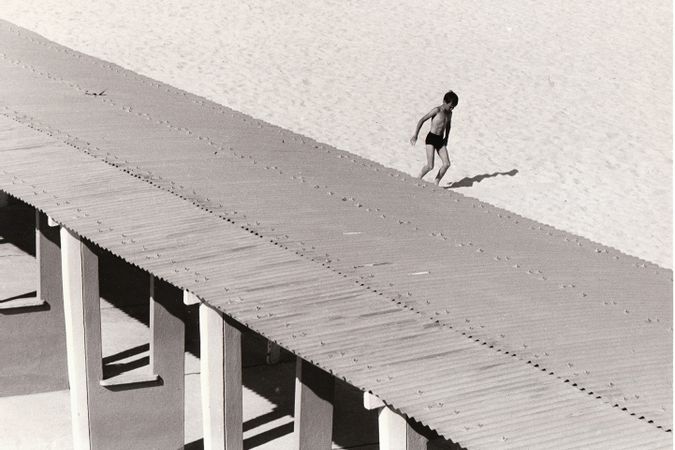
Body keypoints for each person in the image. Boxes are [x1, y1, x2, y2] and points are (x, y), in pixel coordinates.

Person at [410, 90, 458, 185]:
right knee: (430, 166)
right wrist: (415, 135)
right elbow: (422, 120)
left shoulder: (450, 114)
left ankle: (436, 182)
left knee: (447, 164)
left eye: (453, 107)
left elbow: (448, 126)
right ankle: (417, 178)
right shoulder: (437, 110)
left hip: (440, 140)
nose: (451, 109)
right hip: (431, 138)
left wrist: (446, 138)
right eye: (450, 106)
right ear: (444, 102)